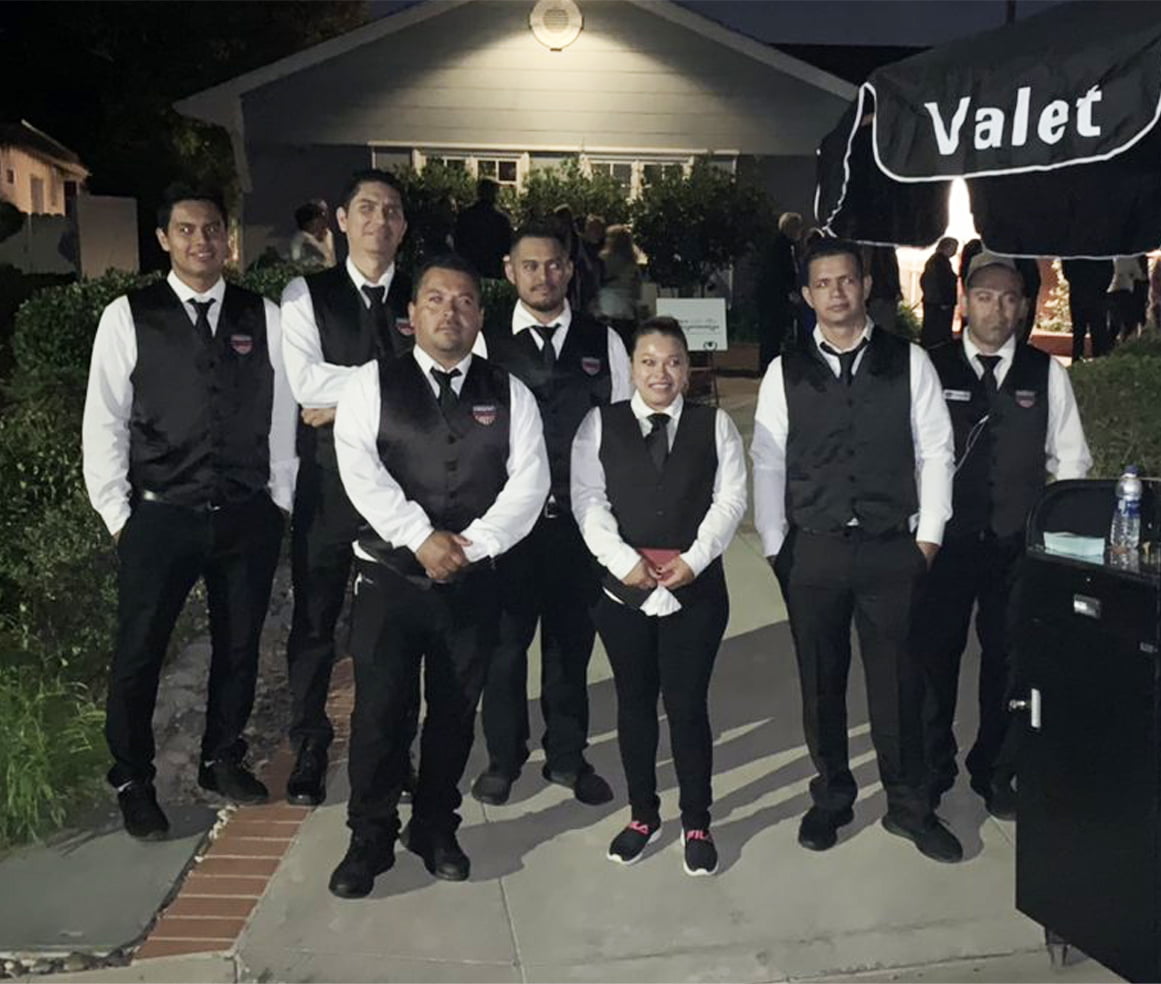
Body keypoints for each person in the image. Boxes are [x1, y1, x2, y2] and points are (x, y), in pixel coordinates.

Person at [327, 254, 549, 898]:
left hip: (472, 582)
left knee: (453, 714)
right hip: (390, 581)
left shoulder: (511, 392)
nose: (450, 312)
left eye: (464, 301)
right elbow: (359, 471)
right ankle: (369, 836)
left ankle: (434, 827)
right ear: (411, 314)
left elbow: (529, 483)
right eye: (436, 300)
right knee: (379, 714)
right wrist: (418, 536)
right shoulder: (370, 386)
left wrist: (474, 546)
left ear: (479, 316)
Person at [82, 184, 297, 839]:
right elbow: (104, 418)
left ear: (227, 238)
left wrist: (279, 499)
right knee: (139, 652)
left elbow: (282, 411)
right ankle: (132, 777)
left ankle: (221, 756)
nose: (201, 240)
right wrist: (118, 514)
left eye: (211, 229)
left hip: (245, 512)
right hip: (160, 515)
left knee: (239, 644)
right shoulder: (129, 315)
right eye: (186, 229)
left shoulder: (263, 315)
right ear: (164, 239)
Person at [751, 237, 962, 863]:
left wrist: (929, 535)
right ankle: (833, 796)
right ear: (806, 295)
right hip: (812, 548)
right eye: (823, 283)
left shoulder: (909, 361)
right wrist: (775, 544)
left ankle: (909, 805)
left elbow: (935, 450)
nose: (836, 292)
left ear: (866, 285)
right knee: (821, 681)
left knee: (900, 683)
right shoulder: (785, 370)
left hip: (891, 547)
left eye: (846, 280)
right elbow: (768, 458)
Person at [914, 253, 1092, 821]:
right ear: (965, 302)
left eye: (1009, 299)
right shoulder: (930, 366)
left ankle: (995, 770)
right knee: (933, 660)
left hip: (1015, 547)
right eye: (985, 297)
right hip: (942, 546)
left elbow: (1072, 461)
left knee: (1010, 663)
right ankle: (932, 769)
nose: (997, 309)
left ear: (1023, 308)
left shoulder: (1046, 373)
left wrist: (1051, 539)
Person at [571, 317, 746, 875]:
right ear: (631, 368)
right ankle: (642, 815)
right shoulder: (599, 425)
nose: (660, 373)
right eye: (648, 361)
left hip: (697, 590)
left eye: (673, 361)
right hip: (622, 592)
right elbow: (588, 500)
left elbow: (730, 500)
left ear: (688, 369)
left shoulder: (714, 425)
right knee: (634, 703)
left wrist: (694, 560)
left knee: (688, 706)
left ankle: (697, 820)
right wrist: (626, 563)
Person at [469, 221, 632, 808]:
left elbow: (623, 432)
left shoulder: (603, 342)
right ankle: (503, 758)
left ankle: (567, 755)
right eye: (531, 265)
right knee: (504, 649)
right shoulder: (484, 341)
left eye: (555, 264)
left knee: (570, 648)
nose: (544, 275)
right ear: (510, 272)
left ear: (570, 270)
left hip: (576, 527)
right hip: (507, 529)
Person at [279, 169, 416, 807]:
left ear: (403, 226)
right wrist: (395, 382)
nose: (378, 221)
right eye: (366, 208)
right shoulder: (306, 295)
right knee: (315, 623)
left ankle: (391, 750)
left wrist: (347, 397)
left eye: (390, 211)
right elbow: (304, 384)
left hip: (405, 489)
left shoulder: (424, 294)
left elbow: (446, 374)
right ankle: (310, 745)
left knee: (396, 632)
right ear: (341, 219)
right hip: (328, 490)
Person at [760, 212, 803, 370]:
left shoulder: (783, 245)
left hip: (775, 296)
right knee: (774, 332)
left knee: (774, 333)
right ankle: (769, 365)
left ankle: (770, 363)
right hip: (775, 298)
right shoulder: (781, 247)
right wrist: (789, 291)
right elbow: (779, 272)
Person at [453, 178, 512, 280]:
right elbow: (506, 246)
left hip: (470, 268)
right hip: (491, 269)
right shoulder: (500, 219)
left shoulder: (465, 216)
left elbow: (458, 243)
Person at [596, 224, 641, 347]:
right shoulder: (632, 263)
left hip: (607, 307)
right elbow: (637, 290)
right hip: (626, 309)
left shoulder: (603, 260)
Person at [1062, 258, 1113, 360]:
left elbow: (1066, 271)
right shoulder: (1100, 251)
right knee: (1097, 332)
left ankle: (1078, 360)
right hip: (1096, 295)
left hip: (1079, 294)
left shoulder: (1072, 251)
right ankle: (1098, 360)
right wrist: (1101, 287)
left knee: (1079, 333)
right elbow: (1109, 271)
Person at [920, 237, 959, 349]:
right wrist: (944, 300)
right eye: (954, 248)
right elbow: (942, 282)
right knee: (937, 332)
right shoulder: (939, 262)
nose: (955, 251)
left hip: (934, 301)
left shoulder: (936, 261)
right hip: (939, 303)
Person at [1108, 255, 1148, 343]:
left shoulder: (1113, 257)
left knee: (1114, 323)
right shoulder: (1131, 259)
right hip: (1125, 292)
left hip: (1111, 292)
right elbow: (1139, 275)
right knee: (1128, 322)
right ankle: (1125, 343)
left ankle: (1109, 345)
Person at [864, 245, 902, 335]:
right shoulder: (885, 250)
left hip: (877, 295)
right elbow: (890, 272)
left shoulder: (870, 249)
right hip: (883, 295)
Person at [289, 202, 335, 269]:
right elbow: (297, 261)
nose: (324, 221)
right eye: (320, 217)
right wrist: (314, 242)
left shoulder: (326, 235)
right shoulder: (301, 238)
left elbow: (331, 261)